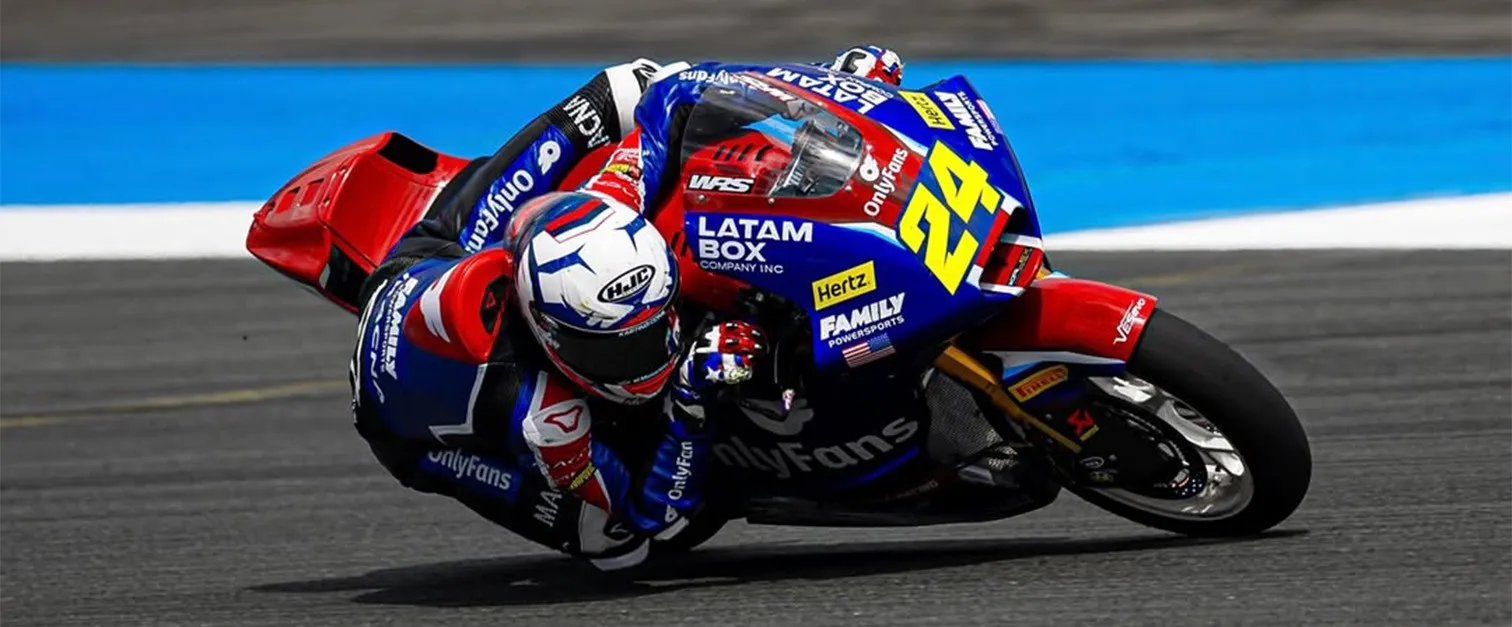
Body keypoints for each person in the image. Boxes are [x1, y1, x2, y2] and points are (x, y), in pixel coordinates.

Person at [348, 45, 906, 571]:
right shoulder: (547, 417)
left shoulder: (617, 193)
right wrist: (689, 399)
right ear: (553, 339)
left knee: (616, 93)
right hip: (405, 424)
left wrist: (824, 89)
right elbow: (654, 515)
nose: (657, 356)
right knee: (617, 541)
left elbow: (671, 89)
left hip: (435, 258)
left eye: (661, 324)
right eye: (624, 350)